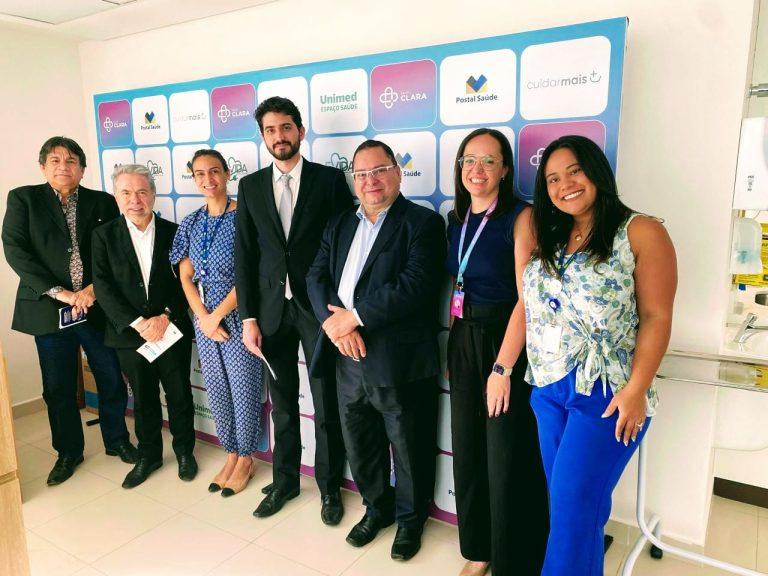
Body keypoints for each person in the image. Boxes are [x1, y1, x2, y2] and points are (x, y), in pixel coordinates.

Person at [524, 135, 677, 575]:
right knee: (571, 512)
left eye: (574, 171)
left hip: (608, 393)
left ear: (596, 171)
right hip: (549, 387)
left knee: (574, 510)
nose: (565, 185)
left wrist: (636, 390)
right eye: (553, 179)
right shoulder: (554, 236)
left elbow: (656, 317)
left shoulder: (640, 231)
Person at [306, 139, 445, 561]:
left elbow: (416, 285)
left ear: (397, 173)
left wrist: (354, 317)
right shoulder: (339, 224)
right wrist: (335, 325)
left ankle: (410, 521)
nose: (371, 180)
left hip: (397, 360)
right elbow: (315, 277)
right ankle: (376, 508)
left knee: (408, 446)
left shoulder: (422, 223)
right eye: (362, 174)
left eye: (380, 170)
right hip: (346, 356)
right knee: (360, 441)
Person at [235, 96, 352, 523]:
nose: (279, 136)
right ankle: (284, 482)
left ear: (300, 131)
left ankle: (329, 489)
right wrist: (248, 317)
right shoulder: (250, 186)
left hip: (318, 310)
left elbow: (344, 247)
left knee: (325, 404)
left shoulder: (329, 180)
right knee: (282, 405)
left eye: (286, 127)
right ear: (263, 136)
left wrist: (338, 308)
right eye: (270, 130)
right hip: (270, 312)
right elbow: (245, 255)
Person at [2, 136, 136, 486]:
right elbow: (16, 251)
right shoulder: (23, 199)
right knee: (58, 387)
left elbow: (115, 249)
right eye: (56, 160)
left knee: (110, 376)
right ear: (43, 166)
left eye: (72, 160)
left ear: (82, 168)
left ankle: (117, 440)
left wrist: (92, 290)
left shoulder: (102, 201)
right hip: (49, 309)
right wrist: (61, 293)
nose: (64, 166)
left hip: (95, 307)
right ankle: (68, 452)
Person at [445, 128, 548, 576]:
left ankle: (512, 560)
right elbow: (457, 286)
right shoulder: (456, 219)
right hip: (464, 337)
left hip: (505, 341)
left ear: (505, 169)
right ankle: (478, 549)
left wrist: (502, 368)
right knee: (468, 449)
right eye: (470, 160)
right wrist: (456, 348)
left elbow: (529, 299)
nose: (478, 169)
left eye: (489, 161)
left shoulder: (521, 217)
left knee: (505, 455)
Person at [92, 164, 198, 489]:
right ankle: (149, 455)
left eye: (141, 191)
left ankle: (184, 452)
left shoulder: (174, 232)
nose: (134, 200)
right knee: (143, 397)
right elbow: (103, 287)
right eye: (126, 193)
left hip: (170, 329)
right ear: (116, 196)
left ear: (153, 194)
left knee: (179, 394)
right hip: (130, 335)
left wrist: (165, 316)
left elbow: (185, 282)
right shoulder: (103, 236)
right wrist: (139, 324)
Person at [171, 149, 264, 497]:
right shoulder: (191, 222)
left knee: (243, 388)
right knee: (218, 390)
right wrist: (203, 318)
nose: (208, 179)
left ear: (227, 173)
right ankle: (230, 454)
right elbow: (185, 275)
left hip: (239, 315)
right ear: (193, 179)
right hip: (204, 320)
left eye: (214, 171)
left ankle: (246, 458)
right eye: (200, 173)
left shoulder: (245, 216)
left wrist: (216, 316)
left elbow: (250, 274)